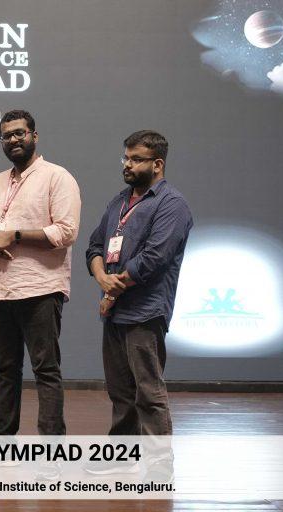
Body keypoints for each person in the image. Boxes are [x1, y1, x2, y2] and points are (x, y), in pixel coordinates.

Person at [85, 130, 192, 481]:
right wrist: (101, 277)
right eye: (126, 158)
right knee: (120, 391)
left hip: (146, 310)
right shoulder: (118, 202)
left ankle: (159, 465)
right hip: (115, 311)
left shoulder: (172, 204)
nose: (127, 165)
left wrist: (111, 292)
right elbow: (94, 247)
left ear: (157, 164)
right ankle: (122, 455)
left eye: (136, 159)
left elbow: (153, 259)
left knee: (148, 390)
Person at [0, 110, 81, 437]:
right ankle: (3, 443)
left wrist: (15, 236)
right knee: (5, 371)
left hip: (40, 289)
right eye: (6, 135)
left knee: (45, 370)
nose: (13, 140)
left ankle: (51, 449)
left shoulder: (57, 177)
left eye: (19, 133)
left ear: (34, 136)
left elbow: (66, 231)